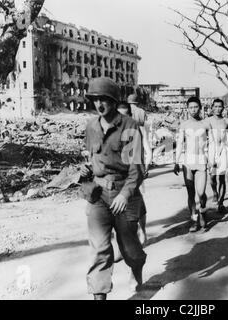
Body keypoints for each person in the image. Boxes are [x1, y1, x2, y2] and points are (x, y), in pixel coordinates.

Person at [81, 78, 147, 300]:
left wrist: (125, 194)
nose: (99, 104)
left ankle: (136, 270)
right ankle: (99, 296)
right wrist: (85, 172)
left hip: (123, 192)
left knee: (130, 250)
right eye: (95, 99)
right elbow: (92, 158)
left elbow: (135, 168)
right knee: (100, 250)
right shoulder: (91, 126)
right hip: (99, 195)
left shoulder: (129, 126)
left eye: (104, 100)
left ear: (113, 100)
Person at [174, 97, 211, 232]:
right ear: (187, 109)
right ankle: (194, 219)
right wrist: (177, 161)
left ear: (200, 108)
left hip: (201, 161)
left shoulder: (205, 124)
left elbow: (210, 143)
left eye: (196, 107)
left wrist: (211, 159)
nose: (193, 110)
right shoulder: (184, 125)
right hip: (187, 162)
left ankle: (203, 210)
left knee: (201, 193)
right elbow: (179, 144)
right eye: (190, 107)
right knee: (191, 193)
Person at [117, 101, 147, 247]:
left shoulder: (135, 129)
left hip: (134, 171)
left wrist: (143, 169)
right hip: (118, 174)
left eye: (125, 116)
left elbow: (141, 150)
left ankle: (142, 229)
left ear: (130, 115)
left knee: (137, 202)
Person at [205, 99, 228, 214]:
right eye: (215, 106)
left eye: (220, 106)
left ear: (223, 108)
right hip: (211, 150)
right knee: (212, 178)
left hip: (223, 150)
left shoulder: (226, 121)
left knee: (222, 177)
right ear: (212, 107)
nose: (218, 109)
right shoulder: (207, 121)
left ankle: (221, 203)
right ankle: (215, 192)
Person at [127, 93, 152, 176]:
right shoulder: (141, 111)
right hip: (141, 132)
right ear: (137, 102)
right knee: (147, 152)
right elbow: (145, 124)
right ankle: (145, 170)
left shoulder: (126, 111)